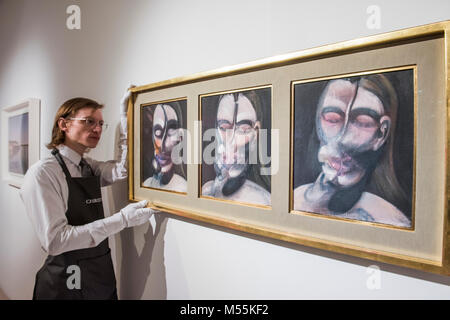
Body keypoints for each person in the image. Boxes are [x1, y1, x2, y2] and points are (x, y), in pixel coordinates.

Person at [19, 87, 155, 299]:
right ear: (64, 124)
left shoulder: (88, 166)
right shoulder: (42, 174)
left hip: (99, 272)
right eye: (89, 121)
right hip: (64, 283)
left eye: (101, 123)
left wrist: (126, 118)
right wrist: (122, 220)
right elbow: (56, 241)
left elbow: (122, 170)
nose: (97, 129)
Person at [293, 74, 411, 227]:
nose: (342, 138)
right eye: (332, 119)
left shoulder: (392, 221)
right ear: (317, 121)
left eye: (363, 122)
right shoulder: (296, 198)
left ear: (382, 133)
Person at [202, 91, 271, 206]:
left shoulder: (262, 201)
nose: (231, 142)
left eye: (243, 130)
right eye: (223, 127)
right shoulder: (206, 190)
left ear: (256, 132)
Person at [142, 102, 187, 192]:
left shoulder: (183, 188)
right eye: (158, 132)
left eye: (171, 132)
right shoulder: (147, 184)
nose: (163, 145)